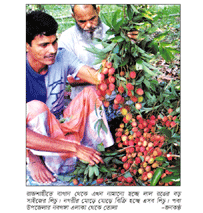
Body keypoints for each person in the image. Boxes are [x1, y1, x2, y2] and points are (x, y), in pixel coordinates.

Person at [26, 10, 114, 185]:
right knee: (35, 108)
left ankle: (93, 153)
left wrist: (121, 49)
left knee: (91, 92)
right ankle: (49, 158)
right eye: (43, 45)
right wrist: (32, 159)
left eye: (54, 42)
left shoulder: (62, 56)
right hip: (33, 138)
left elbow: (97, 78)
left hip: (59, 123)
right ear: (26, 45)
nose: (52, 50)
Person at [58, 5, 138, 114]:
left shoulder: (114, 33)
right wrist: (101, 77)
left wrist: (133, 43)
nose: (89, 25)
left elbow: (129, 64)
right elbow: (71, 80)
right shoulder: (67, 38)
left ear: (98, 10)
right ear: (73, 16)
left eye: (92, 19)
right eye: (82, 21)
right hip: (86, 105)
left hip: (117, 101)